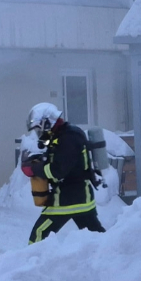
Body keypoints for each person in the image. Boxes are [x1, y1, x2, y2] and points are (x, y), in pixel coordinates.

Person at [22, 102, 105, 244]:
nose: (39, 134)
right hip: (80, 197)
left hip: (68, 198)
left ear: (47, 124)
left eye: (38, 129)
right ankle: (114, 257)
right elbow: (61, 160)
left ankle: (31, 261)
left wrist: (34, 169)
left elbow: (57, 171)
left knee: (40, 233)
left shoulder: (68, 138)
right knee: (96, 236)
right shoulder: (63, 135)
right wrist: (39, 159)